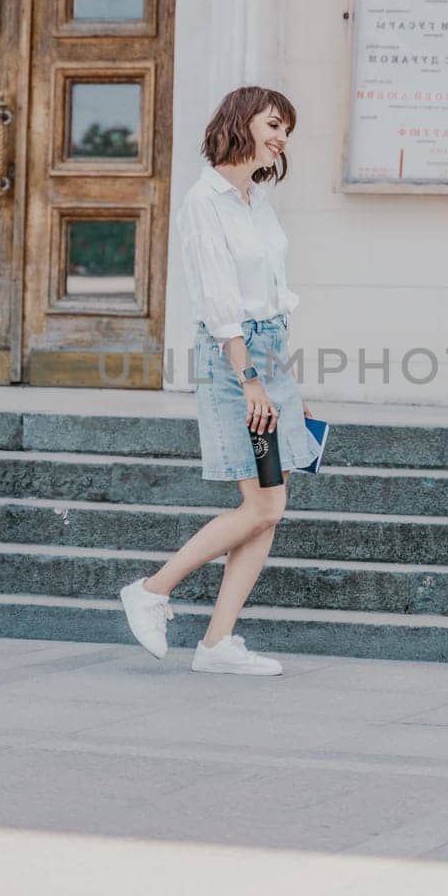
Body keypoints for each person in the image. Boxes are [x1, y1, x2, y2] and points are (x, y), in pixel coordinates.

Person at [118, 86, 322, 676]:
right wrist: (252, 379)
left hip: (270, 355)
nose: (282, 138)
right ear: (242, 123)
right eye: (275, 124)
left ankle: (216, 644)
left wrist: (284, 381)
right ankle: (153, 590)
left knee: (269, 508)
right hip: (236, 360)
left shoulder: (255, 201)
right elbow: (217, 301)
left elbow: (274, 293)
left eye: (287, 129)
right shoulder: (204, 201)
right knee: (261, 504)